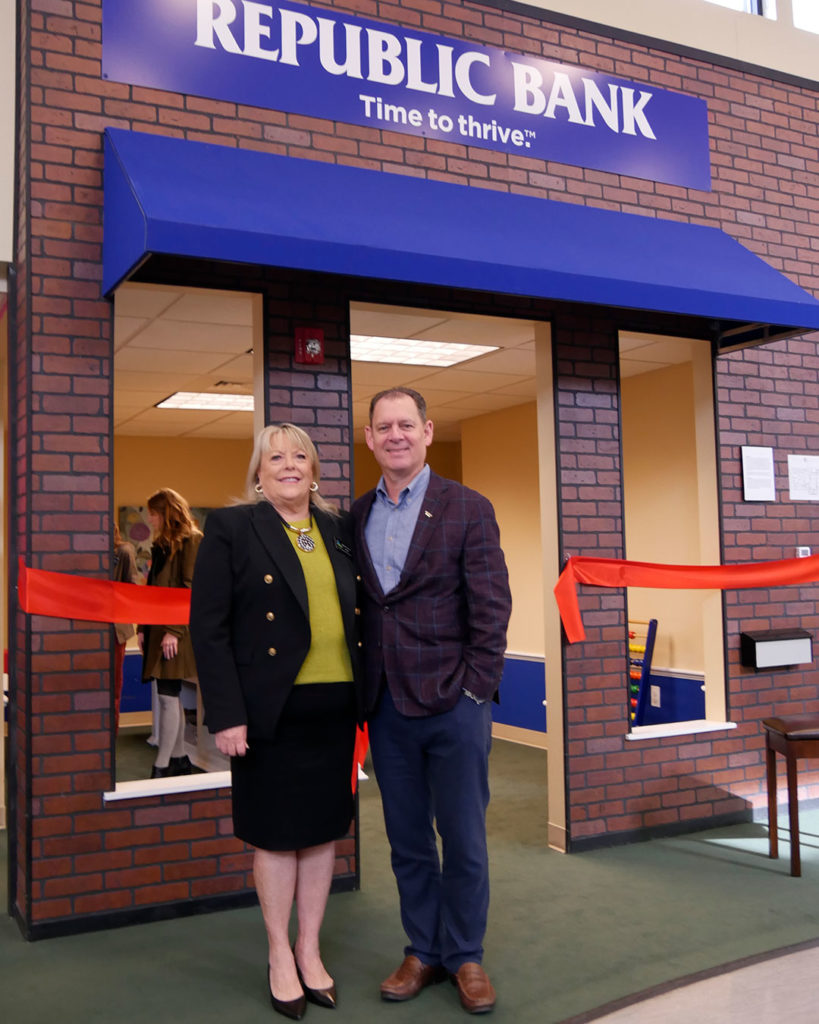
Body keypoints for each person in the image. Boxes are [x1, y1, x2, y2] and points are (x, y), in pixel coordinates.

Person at [189, 424, 363, 1021]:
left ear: (314, 471)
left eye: (300, 457)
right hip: (269, 713)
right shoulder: (232, 529)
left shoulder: (337, 529)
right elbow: (208, 630)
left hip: (335, 708)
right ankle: (278, 955)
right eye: (275, 458)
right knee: (274, 835)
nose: (289, 466)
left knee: (321, 832)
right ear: (258, 474)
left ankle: (309, 949)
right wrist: (227, 714)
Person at [351, 387, 512, 1015]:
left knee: (465, 838)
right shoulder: (355, 515)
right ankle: (423, 949)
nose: (395, 435)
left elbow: (492, 608)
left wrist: (474, 689)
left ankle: (466, 956)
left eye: (406, 425)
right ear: (369, 439)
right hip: (386, 708)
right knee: (407, 840)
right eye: (383, 426)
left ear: (427, 431)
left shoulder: (467, 508)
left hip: (455, 705)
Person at [138, 487, 202, 779]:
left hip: (176, 631)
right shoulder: (161, 544)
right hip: (158, 629)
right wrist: (142, 627)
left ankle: (162, 765)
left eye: (153, 513)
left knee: (167, 695)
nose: (150, 518)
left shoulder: (192, 541)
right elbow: (152, 589)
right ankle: (177, 759)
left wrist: (174, 631)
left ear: (166, 513)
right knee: (168, 695)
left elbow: (189, 588)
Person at [112, 521, 140, 733]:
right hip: (88, 628)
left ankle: (110, 738)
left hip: (114, 630)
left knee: (113, 687)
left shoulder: (124, 550)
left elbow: (131, 587)